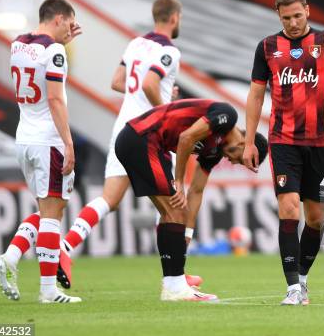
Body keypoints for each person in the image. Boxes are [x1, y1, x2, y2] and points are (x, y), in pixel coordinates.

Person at [55, 0, 203, 289]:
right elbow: (148, 84)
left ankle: (66, 246)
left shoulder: (135, 43)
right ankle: (176, 275)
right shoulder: (169, 51)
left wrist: (159, 91)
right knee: (175, 207)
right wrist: (167, 112)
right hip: (149, 134)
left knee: (108, 199)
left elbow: (118, 82)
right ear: (175, 17)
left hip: (122, 127)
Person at [243, 0, 324, 305]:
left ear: (308, 9)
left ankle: (303, 279)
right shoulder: (266, 48)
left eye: (298, 16)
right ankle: (291, 288)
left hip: (319, 142)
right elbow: (255, 96)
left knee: (316, 218)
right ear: (278, 14)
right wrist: (249, 141)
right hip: (283, 140)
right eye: (286, 17)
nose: (292, 23)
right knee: (289, 208)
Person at [115, 99, 268, 301]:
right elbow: (186, 138)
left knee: (173, 213)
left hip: (147, 142)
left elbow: (196, 190)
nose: (233, 162)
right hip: (142, 137)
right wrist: (178, 180)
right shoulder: (227, 114)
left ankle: (173, 284)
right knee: (175, 211)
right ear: (246, 145)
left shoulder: (215, 151)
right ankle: (176, 287)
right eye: (241, 160)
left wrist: (187, 232)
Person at [0, 0, 83, 303]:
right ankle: (48, 291)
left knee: (47, 209)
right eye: (69, 24)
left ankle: (12, 256)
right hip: (49, 140)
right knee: (52, 215)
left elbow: (39, 54)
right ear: (58, 19)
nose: (71, 30)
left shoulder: (17, 44)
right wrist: (69, 143)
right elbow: (55, 99)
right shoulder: (55, 51)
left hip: (24, 138)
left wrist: (63, 39)